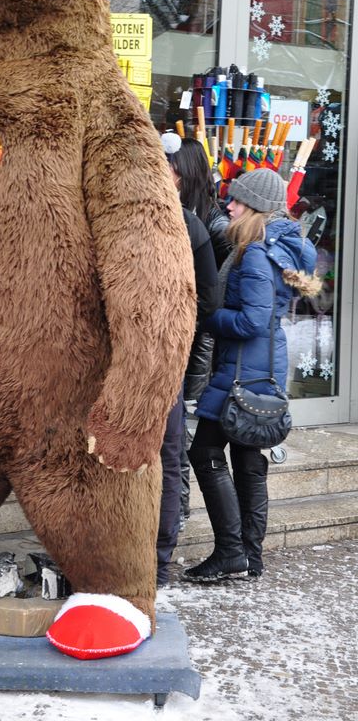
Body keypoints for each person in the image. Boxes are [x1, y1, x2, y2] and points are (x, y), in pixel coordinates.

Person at [184, 170, 320, 582]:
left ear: (256, 208)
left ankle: (231, 551)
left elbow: (253, 321)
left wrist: (207, 317)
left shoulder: (258, 253)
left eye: (237, 202)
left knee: (205, 453)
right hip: (256, 367)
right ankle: (249, 556)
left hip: (245, 370)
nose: (229, 206)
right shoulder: (267, 247)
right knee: (246, 458)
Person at [157, 205, 218, 586]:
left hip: (109, 357)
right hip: (167, 353)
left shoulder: (100, 211)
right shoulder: (188, 221)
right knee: (167, 458)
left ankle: (110, 563)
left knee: (105, 459)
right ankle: (159, 564)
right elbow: (210, 298)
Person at [165, 136, 230, 267]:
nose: (164, 170)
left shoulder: (218, 225)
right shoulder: (174, 209)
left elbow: (221, 278)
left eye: (169, 164)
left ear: (186, 168)